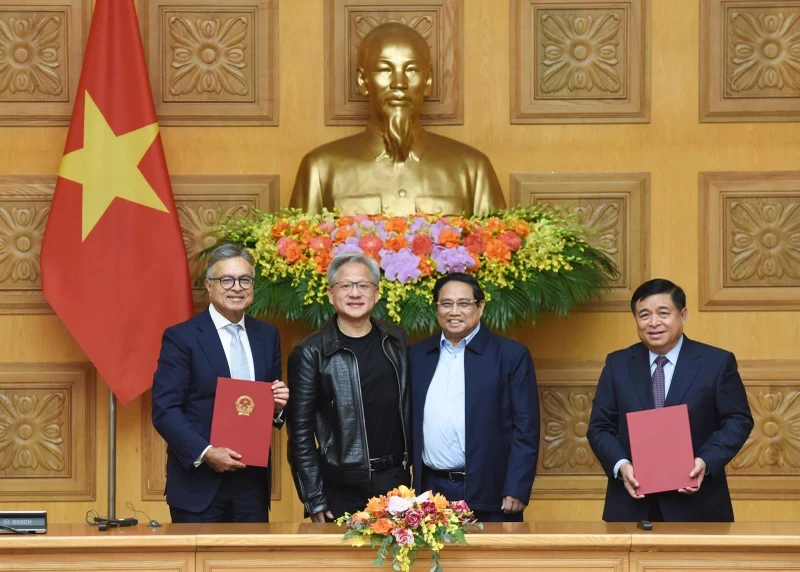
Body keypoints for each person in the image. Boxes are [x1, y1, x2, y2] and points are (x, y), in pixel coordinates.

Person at [289, 22, 505, 217]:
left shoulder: (473, 169)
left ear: (427, 81)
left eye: (411, 70)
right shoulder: (320, 169)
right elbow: (299, 253)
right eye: (385, 70)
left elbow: (500, 251)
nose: (399, 83)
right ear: (362, 81)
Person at [587, 278, 753, 522]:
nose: (653, 323)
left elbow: (737, 420)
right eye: (644, 315)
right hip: (631, 506)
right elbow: (599, 428)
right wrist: (621, 466)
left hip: (698, 506)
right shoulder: (617, 364)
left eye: (663, 313)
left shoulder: (716, 363)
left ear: (683, 315)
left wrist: (705, 461)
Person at [151, 243, 289, 523]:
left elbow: (269, 407)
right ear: (209, 286)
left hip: (251, 485)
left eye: (245, 280)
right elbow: (165, 409)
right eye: (226, 279)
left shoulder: (267, 336)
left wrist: (278, 406)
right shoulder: (182, 338)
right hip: (198, 483)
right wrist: (207, 452)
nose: (236, 287)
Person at [287, 253, 411, 521]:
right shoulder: (311, 352)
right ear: (331, 295)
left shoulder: (396, 340)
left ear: (377, 294)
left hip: (397, 482)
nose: (355, 293)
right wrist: (314, 498)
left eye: (363, 285)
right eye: (345, 286)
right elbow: (300, 435)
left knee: (398, 563)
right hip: (341, 486)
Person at [409, 273, 540, 522]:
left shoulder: (510, 355)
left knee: (489, 562)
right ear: (436, 308)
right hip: (430, 494)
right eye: (446, 304)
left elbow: (527, 428)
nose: (454, 311)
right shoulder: (418, 355)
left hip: (492, 493)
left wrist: (517, 487)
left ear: (480, 306)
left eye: (464, 303)